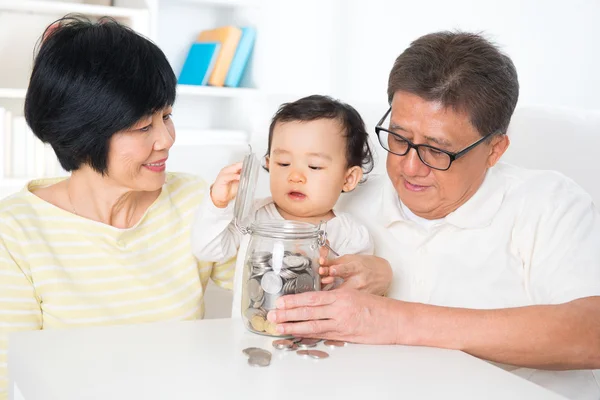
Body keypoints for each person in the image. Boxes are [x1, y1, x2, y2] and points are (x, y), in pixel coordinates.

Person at [266, 32, 600, 400]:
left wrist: (392, 318)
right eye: (398, 138)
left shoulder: (547, 202)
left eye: (437, 151)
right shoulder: (341, 198)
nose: (409, 167)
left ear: (494, 149)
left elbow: (592, 332)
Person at [0, 17, 235, 398]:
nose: (166, 140)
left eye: (167, 116)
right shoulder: (15, 232)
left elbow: (261, 295)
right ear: (80, 134)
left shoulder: (195, 199)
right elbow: (9, 376)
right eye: (144, 127)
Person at [192, 95, 387, 321]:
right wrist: (218, 203)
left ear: (348, 178)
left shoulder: (351, 234)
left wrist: (327, 271)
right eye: (283, 163)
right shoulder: (253, 215)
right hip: (253, 335)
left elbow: (357, 296)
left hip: (323, 343)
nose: (295, 176)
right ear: (268, 163)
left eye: (314, 166)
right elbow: (207, 249)